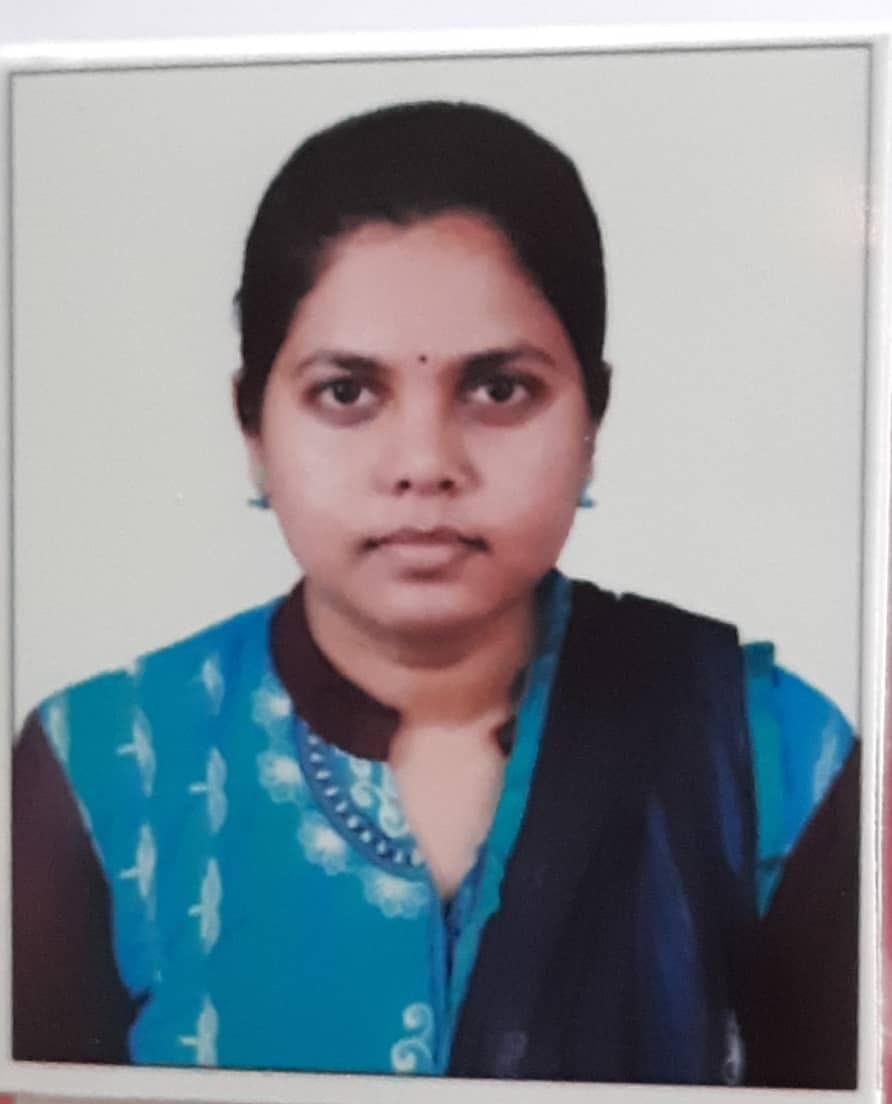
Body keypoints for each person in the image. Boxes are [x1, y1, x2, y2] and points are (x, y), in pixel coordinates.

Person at [12, 100, 860, 1087]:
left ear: (592, 419)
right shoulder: (105, 769)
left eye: (499, 389)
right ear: (253, 430)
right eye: (346, 392)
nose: (423, 462)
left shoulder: (773, 759)